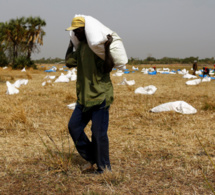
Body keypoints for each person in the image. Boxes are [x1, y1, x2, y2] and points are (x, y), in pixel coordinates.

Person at [65, 16, 114, 174]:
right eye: (74, 32)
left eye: (78, 31)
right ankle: (92, 157)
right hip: (84, 98)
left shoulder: (96, 47)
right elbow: (68, 62)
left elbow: (108, 67)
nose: (76, 34)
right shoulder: (81, 48)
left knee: (98, 134)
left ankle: (104, 168)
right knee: (74, 126)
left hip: (99, 96)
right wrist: (71, 44)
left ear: (85, 30)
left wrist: (107, 49)